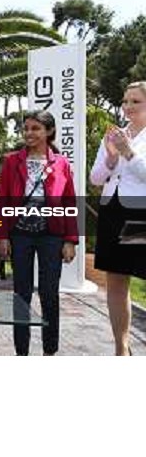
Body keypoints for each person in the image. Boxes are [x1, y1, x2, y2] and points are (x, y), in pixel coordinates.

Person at [0, 110, 77, 356]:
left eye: (36, 128)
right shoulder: (12, 161)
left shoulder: (61, 163)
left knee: (49, 294)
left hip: (52, 236)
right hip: (20, 235)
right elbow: (2, 201)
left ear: (49, 132)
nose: (29, 133)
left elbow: (69, 203)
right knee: (21, 294)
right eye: (26, 128)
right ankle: (21, 352)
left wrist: (71, 240)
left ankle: (49, 351)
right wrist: (2, 235)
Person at [90, 81, 146, 356]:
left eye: (135, 101)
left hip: (139, 214)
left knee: (139, 273)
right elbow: (95, 178)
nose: (127, 106)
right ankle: (121, 347)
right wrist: (111, 158)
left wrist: (128, 152)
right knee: (116, 278)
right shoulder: (113, 135)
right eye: (125, 101)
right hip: (112, 211)